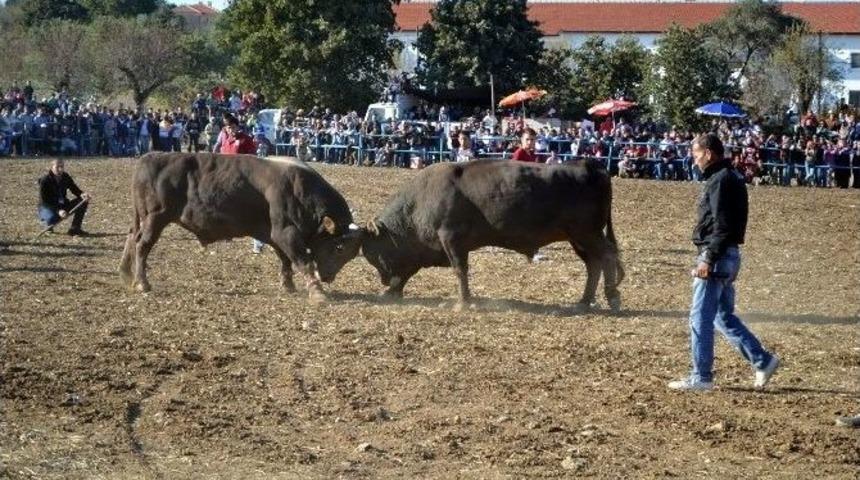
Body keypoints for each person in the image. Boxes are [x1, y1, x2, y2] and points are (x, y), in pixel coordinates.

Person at [668, 133, 779, 391]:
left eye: (696, 155)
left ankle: (701, 376)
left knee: (699, 318)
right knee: (722, 316)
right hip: (729, 256)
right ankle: (762, 360)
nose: (694, 161)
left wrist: (707, 257)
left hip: (716, 257)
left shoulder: (719, 181)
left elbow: (722, 225)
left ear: (708, 153)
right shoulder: (730, 177)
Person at [38, 158, 92, 235]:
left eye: (62, 167)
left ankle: (75, 228)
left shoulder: (65, 176)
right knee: (51, 219)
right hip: (48, 207)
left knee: (82, 202)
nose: (60, 169)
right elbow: (44, 201)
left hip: (62, 204)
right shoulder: (44, 180)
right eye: (57, 167)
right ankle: (47, 224)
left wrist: (82, 194)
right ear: (51, 167)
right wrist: (58, 210)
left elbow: (74, 189)